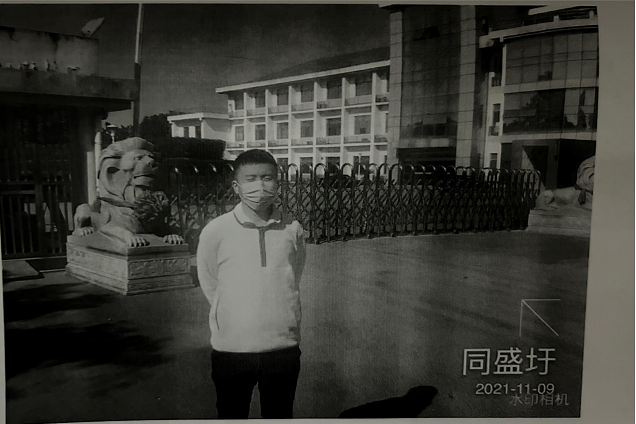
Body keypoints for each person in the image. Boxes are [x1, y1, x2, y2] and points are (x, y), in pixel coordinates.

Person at [197, 149, 306, 419]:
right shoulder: (216, 230)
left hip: (282, 347)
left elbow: (294, 273)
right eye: (251, 178)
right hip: (232, 349)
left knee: (279, 416)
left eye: (267, 178)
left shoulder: (292, 229)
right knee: (231, 415)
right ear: (236, 186)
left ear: (277, 183)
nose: (260, 185)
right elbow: (210, 281)